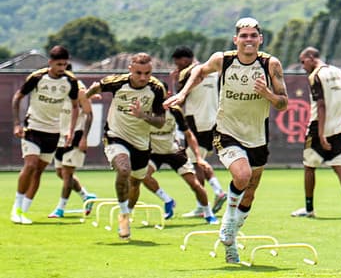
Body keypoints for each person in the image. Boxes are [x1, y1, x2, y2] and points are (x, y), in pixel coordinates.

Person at [164, 17, 288, 264]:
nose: (249, 40)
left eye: (253, 35)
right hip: (226, 131)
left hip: (257, 135)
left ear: (260, 39)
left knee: (250, 192)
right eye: (244, 36)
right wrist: (183, 93)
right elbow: (199, 69)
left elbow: (283, 102)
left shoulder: (270, 64)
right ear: (236, 40)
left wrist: (268, 95)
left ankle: (231, 244)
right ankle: (228, 222)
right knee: (241, 176)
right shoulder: (224, 59)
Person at [85, 53, 166, 239]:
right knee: (123, 170)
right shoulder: (117, 82)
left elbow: (160, 122)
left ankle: (127, 213)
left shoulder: (156, 88)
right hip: (116, 136)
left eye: (147, 73)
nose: (143, 77)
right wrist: (86, 99)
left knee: (136, 183)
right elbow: (96, 87)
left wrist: (142, 116)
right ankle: (123, 215)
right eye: (139, 73)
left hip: (142, 143)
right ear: (130, 69)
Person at [11, 45, 80, 224]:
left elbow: (74, 106)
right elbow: (18, 97)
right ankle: (15, 207)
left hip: (53, 132)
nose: (62, 68)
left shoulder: (70, 81)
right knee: (31, 165)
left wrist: (70, 131)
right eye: (58, 64)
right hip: (33, 128)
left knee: (39, 172)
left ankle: (23, 211)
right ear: (50, 63)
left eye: (64, 64)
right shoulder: (37, 78)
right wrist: (17, 124)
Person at [291, 47, 341, 219]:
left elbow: (321, 104)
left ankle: (309, 208)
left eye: (303, 61)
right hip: (339, 127)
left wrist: (321, 134)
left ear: (312, 58)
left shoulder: (315, 76)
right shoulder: (338, 72)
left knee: (309, 167)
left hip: (318, 126)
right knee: (339, 166)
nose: (302, 66)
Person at [170, 46, 227, 216]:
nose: (177, 66)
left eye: (177, 62)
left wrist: (175, 81)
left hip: (195, 121)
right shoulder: (211, 70)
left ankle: (210, 199)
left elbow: (180, 97)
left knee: (195, 162)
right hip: (213, 120)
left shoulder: (188, 72)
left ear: (184, 59)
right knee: (198, 159)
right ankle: (210, 198)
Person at [141, 103, 219, 224]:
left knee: (195, 185)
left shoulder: (174, 111)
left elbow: (188, 135)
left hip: (174, 152)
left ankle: (208, 213)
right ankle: (168, 201)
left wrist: (199, 158)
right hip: (155, 153)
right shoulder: (143, 111)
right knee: (143, 175)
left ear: (167, 95)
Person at [48, 72, 97, 218]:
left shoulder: (79, 90)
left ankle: (60, 208)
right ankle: (86, 196)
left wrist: (84, 138)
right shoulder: (55, 91)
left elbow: (89, 114)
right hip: (60, 138)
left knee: (67, 174)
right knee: (60, 173)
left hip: (75, 136)